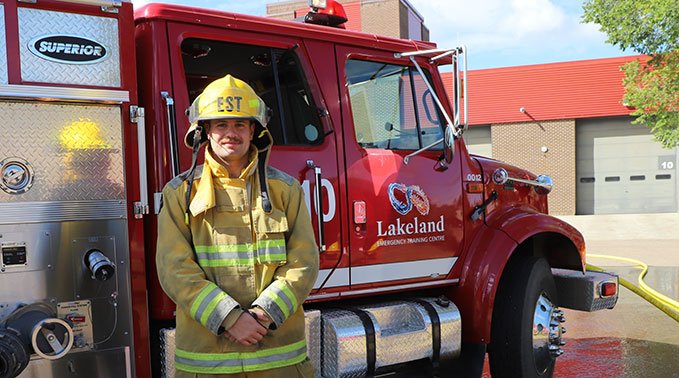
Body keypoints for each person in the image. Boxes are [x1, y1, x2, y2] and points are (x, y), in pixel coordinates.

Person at [156, 74, 319, 377]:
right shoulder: (179, 193)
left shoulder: (285, 190)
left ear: (253, 130)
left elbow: (304, 262)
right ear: (204, 130)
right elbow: (174, 268)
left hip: (278, 360)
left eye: (240, 124)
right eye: (220, 124)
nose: (231, 133)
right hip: (208, 364)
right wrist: (230, 318)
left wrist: (263, 314)